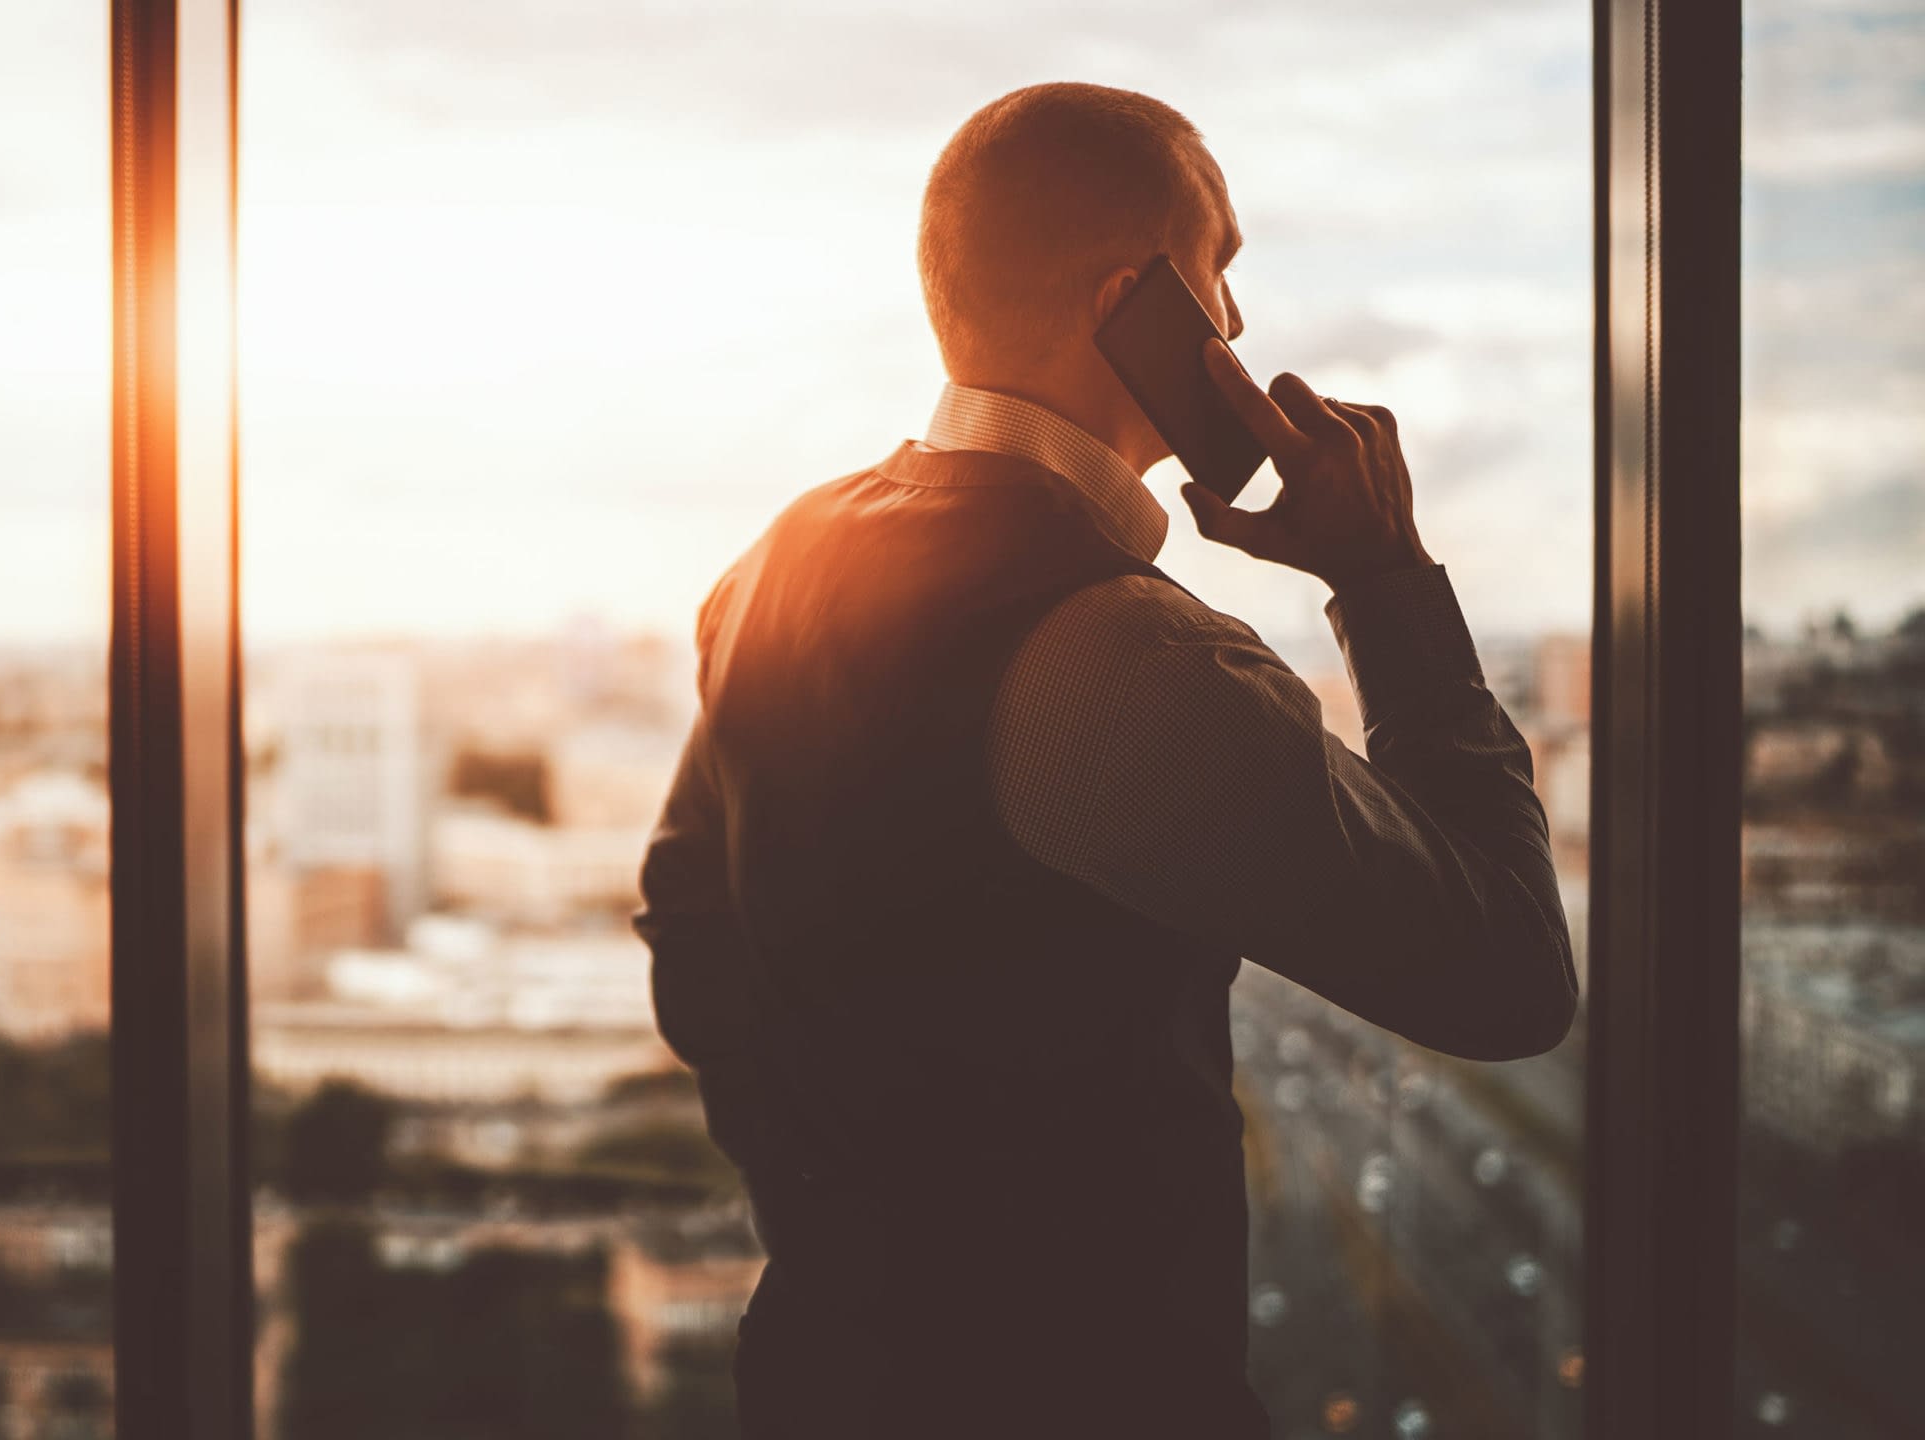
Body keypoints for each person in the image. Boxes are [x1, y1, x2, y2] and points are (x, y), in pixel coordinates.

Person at [633, 82, 1577, 1437]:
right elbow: (1510, 976)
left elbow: (688, 918)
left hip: (817, 1373)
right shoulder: (1124, 656)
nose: (1236, 321)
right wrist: (1384, 581)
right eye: (1219, 269)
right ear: (1132, 302)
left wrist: (832, 1190)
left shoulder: (778, 557)